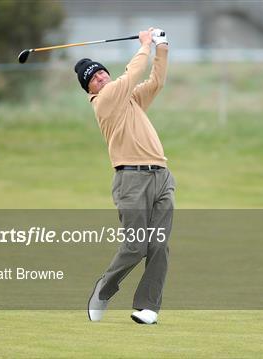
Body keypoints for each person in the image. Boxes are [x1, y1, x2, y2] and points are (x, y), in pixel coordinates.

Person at [74, 28, 175, 325]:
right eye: (93, 79)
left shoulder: (129, 99)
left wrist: (162, 47)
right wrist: (145, 44)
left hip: (162, 176)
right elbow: (132, 73)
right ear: (90, 90)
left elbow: (156, 81)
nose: (100, 78)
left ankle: (147, 306)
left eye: (102, 73)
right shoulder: (104, 102)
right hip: (130, 181)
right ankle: (104, 290)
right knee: (135, 247)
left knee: (159, 246)